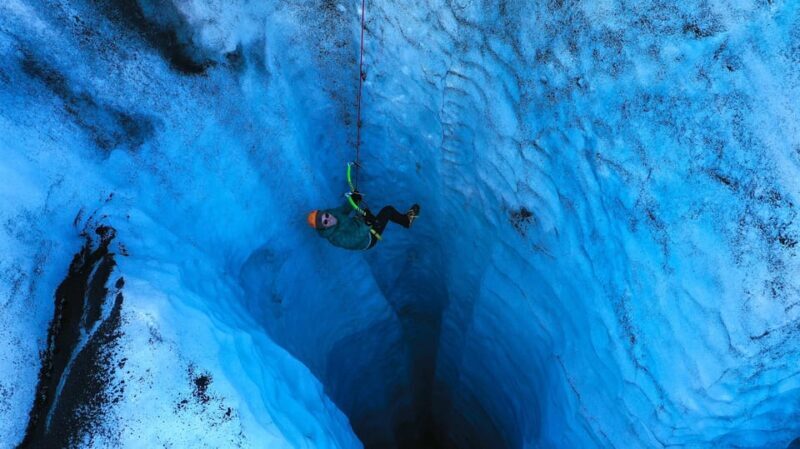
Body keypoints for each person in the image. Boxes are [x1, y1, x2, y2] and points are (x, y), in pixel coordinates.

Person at [307, 192, 420, 250]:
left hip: (359, 225)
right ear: (324, 227)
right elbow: (354, 239)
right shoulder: (335, 238)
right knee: (388, 210)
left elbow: (344, 210)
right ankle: (406, 221)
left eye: (326, 215)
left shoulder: (332, 213)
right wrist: (367, 224)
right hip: (368, 239)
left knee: (366, 213)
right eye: (325, 222)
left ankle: (368, 221)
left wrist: (354, 200)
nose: (329, 218)